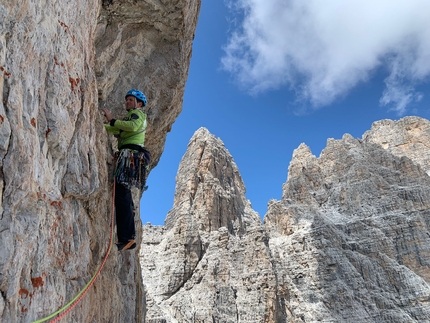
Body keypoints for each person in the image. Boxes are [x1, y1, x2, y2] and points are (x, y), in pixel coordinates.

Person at [101, 89, 149, 251]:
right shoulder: (131, 116)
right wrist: (103, 126)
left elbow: (133, 126)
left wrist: (112, 120)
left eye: (131, 99)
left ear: (139, 103)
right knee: (122, 192)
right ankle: (130, 209)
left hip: (131, 156)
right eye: (127, 99)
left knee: (121, 195)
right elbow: (118, 130)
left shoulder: (137, 114)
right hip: (130, 156)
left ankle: (128, 237)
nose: (127, 102)